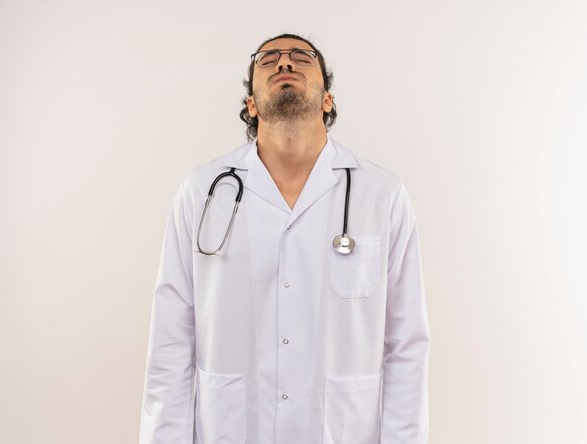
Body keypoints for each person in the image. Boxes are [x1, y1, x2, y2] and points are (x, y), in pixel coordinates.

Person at [139, 33, 430, 444]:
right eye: (269, 59)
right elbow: (171, 341)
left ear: (327, 99)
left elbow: (406, 345)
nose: (284, 64)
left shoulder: (381, 195)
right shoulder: (202, 192)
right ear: (251, 105)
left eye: (301, 58)